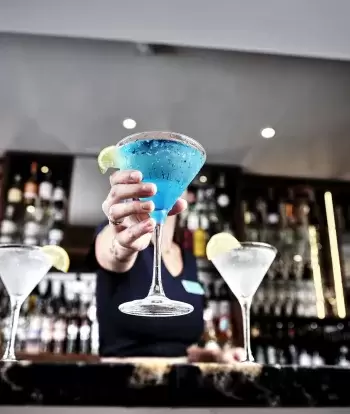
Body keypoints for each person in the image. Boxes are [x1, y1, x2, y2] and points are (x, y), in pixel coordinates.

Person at [91, 168, 242, 362]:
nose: (167, 178)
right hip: (122, 384)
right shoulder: (119, 233)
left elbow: (180, 350)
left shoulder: (188, 259)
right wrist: (123, 245)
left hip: (181, 387)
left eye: (176, 171)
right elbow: (114, 252)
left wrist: (215, 356)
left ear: (188, 194)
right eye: (157, 171)